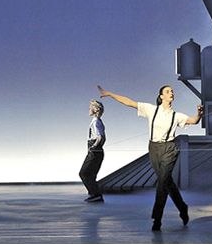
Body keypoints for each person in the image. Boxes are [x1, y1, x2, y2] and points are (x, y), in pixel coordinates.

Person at [98, 84, 202, 231]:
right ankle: (182, 207)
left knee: (162, 182)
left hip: (169, 149)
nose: (171, 93)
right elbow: (129, 102)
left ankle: (157, 219)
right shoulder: (151, 109)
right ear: (161, 96)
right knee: (167, 182)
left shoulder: (176, 115)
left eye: (172, 91)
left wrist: (199, 114)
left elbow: (193, 121)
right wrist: (110, 94)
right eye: (168, 91)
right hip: (154, 148)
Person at [80, 99, 106, 203]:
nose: (88, 109)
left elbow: (100, 137)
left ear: (95, 110)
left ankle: (95, 194)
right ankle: (95, 195)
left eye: (90, 108)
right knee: (90, 175)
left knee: (84, 173)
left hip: (95, 153)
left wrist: (94, 146)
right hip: (96, 152)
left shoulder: (96, 122)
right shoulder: (97, 121)